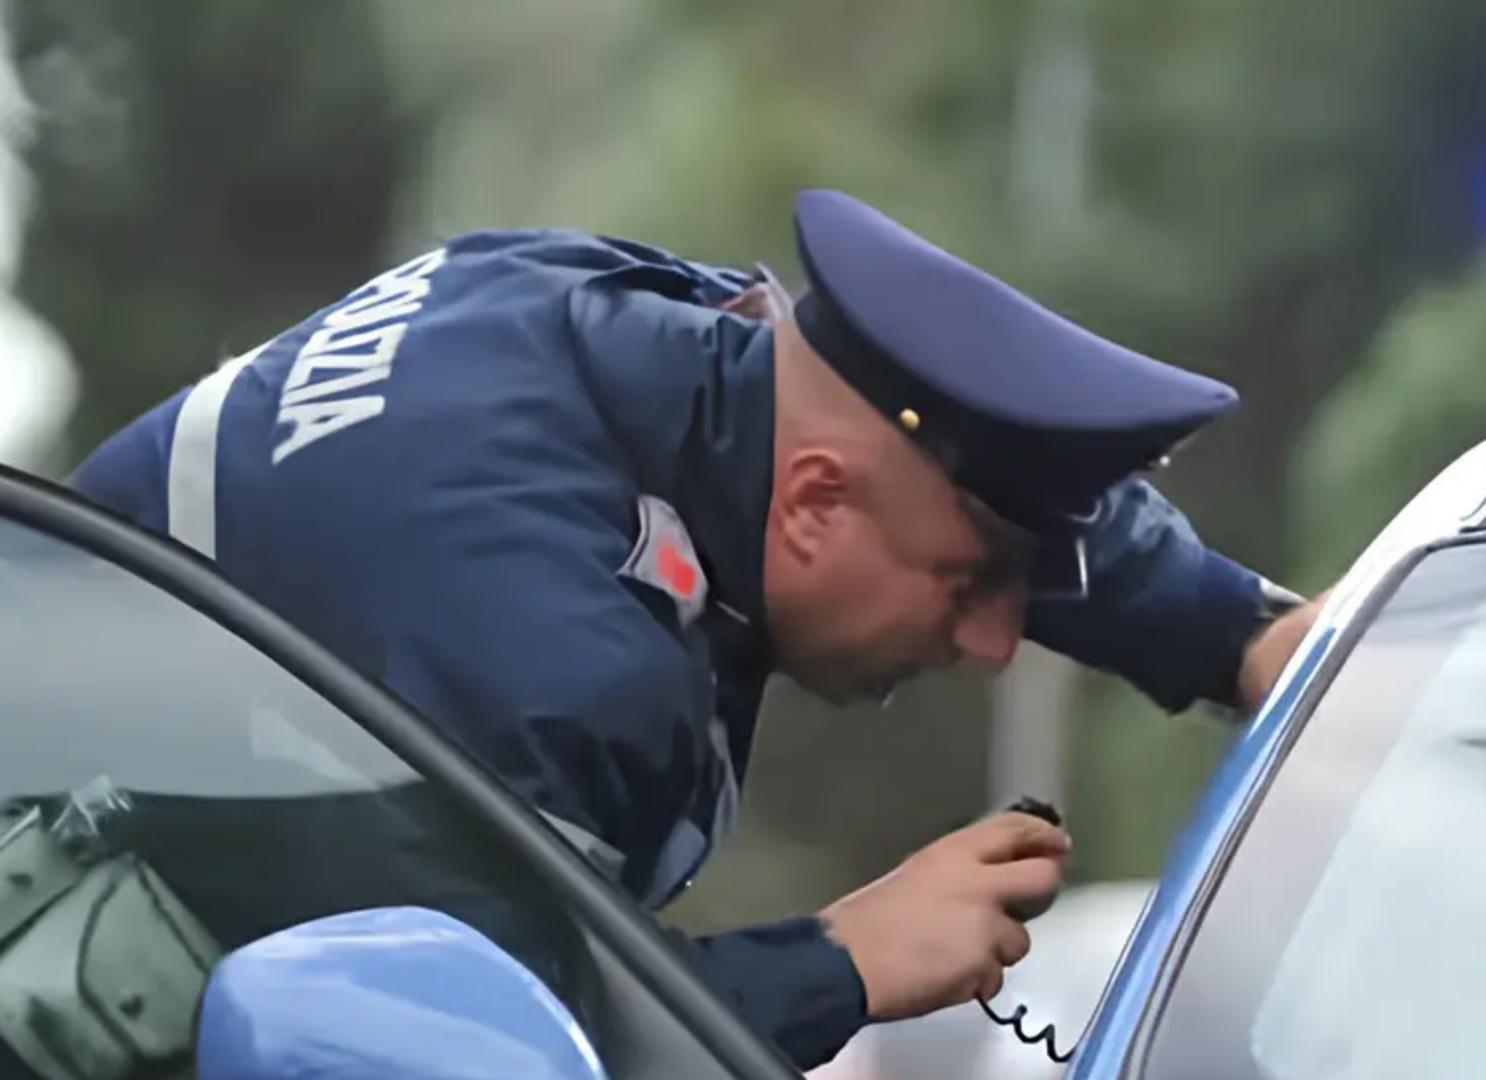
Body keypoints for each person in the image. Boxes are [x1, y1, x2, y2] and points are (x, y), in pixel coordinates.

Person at [65, 189, 1323, 1068]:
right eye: (964, 589)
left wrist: (1237, 635)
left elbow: (943, 473)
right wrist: (846, 959)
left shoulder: (606, 308)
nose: (996, 644)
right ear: (816, 504)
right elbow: (506, 1042)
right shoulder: (549, 664)